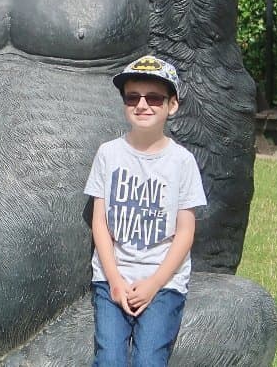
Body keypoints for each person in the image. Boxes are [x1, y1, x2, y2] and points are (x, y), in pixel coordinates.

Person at [84, 55, 207, 367]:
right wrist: (113, 279)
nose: (142, 105)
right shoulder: (108, 154)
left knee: (149, 360)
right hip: (113, 277)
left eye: (154, 98)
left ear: (172, 105)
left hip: (163, 281)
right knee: (109, 359)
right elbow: (100, 223)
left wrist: (154, 284)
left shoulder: (182, 162)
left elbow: (185, 232)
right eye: (132, 97)